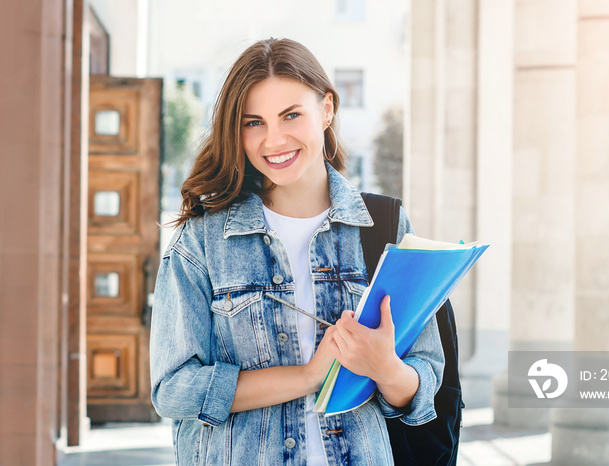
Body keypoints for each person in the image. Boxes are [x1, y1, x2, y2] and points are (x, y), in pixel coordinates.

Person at [150, 37, 444, 465]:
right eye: (254, 122)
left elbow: (424, 382)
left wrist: (385, 367)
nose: (274, 140)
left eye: (291, 115)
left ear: (327, 109)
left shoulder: (384, 225)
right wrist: (308, 376)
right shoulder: (203, 239)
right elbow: (172, 389)